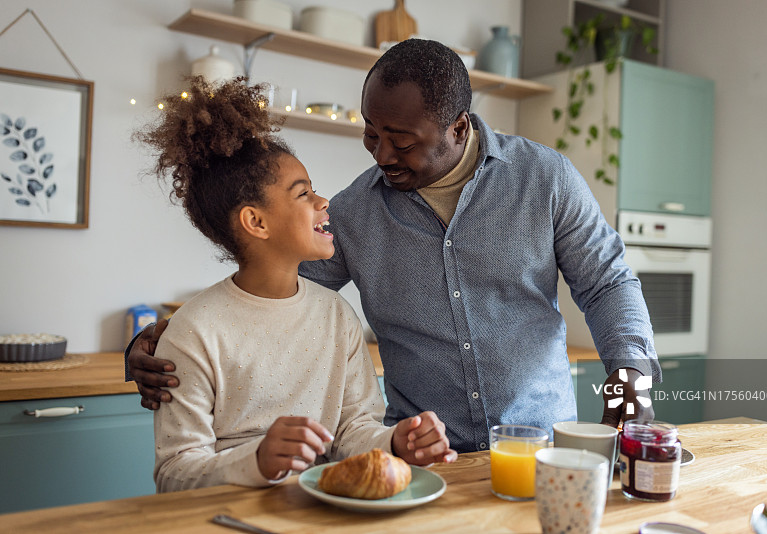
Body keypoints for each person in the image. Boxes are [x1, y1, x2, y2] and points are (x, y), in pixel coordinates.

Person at [128, 39, 660, 453]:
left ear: (457, 126)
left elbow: (608, 281)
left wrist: (629, 378)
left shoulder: (545, 179)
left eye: (402, 140)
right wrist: (167, 342)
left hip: (535, 443)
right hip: (419, 456)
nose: (381, 153)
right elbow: (270, 290)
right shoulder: (355, 212)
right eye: (370, 133)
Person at [132, 76, 456, 493]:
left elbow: (353, 431)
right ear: (256, 222)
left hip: (322, 513)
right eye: (303, 194)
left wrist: (395, 441)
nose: (324, 202)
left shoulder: (337, 315)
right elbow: (175, 473)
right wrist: (259, 461)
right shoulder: (195, 330)